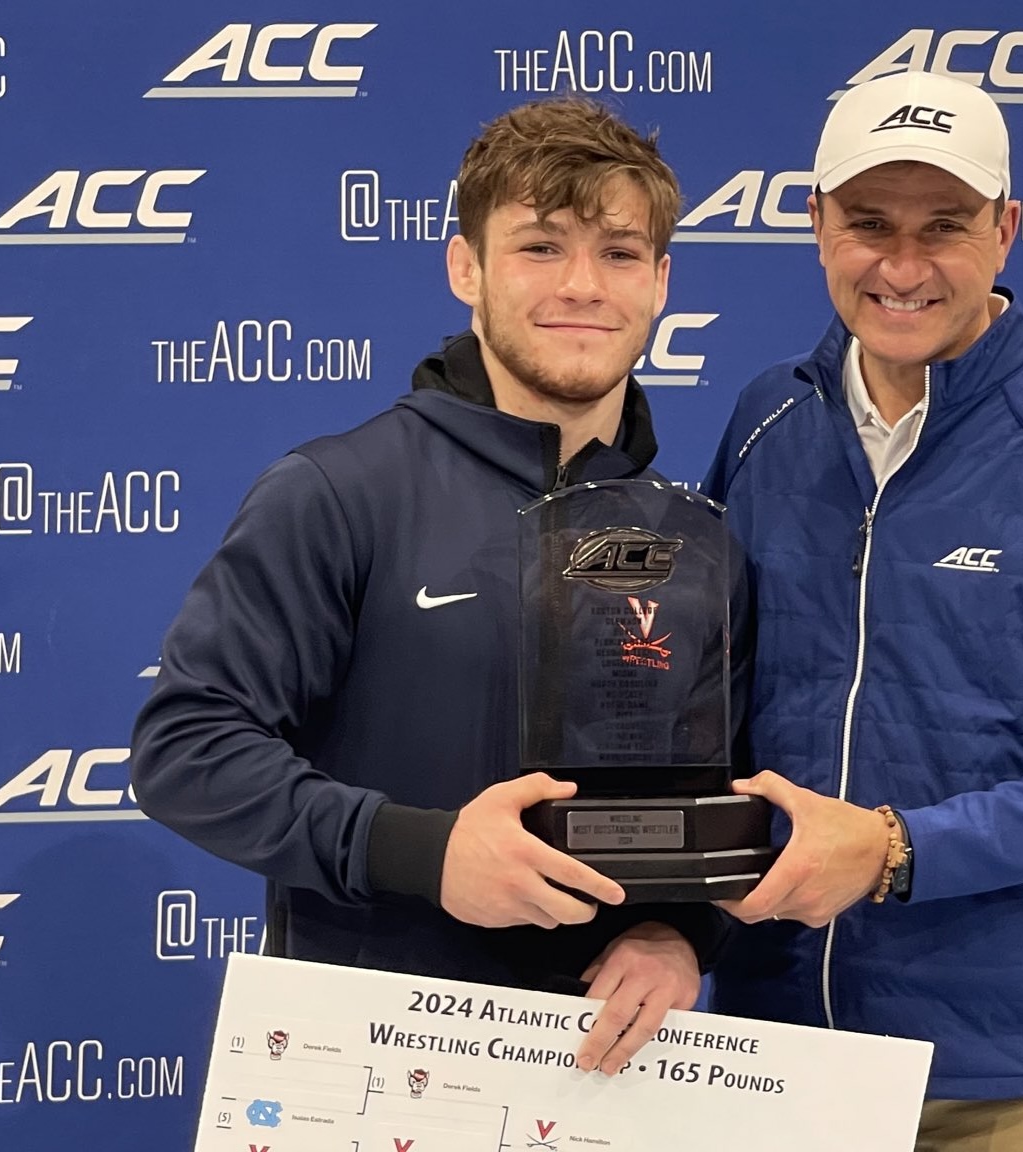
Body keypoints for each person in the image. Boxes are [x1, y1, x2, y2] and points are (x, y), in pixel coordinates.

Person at [130, 97, 719, 1078]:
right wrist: (424, 853)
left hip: (604, 1084)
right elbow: (186, 751)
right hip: (362, 1073)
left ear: (660, 281)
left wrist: (682, 931)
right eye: (540, 247)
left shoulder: (694, 539)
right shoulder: (338, 492)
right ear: (465, 268)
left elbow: (713, 798)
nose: (582, 285)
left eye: (619, 253)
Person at [702, 71, 1023, 1151]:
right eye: (868, 224)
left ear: (1005, 230)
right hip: (770, 1058)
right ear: (816, 224)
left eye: (943, 225)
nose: (902, 267)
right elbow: (704, 712)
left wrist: (896, 850)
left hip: (1007, 1082)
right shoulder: (764, 421)